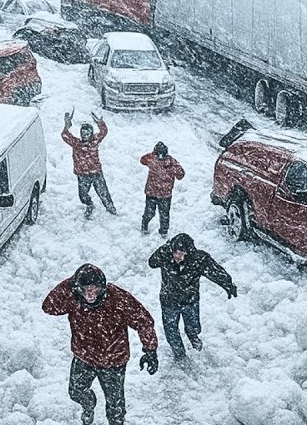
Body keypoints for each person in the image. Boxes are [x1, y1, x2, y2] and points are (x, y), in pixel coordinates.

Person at [42, 263, 158, 425]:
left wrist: (150, 350)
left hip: (113, 360)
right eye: (85, 289)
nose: (90, 294)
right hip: (84, 357)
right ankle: (89, 404)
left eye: (94, 289)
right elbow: (48, 306)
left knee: (115, 406)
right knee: (75, 391)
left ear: (102, 288)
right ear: (78, 289)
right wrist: (71, 282)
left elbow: (143, 321)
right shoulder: (73, 297)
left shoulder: (117, 298)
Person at [148, 233, 237, 361]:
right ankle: (180, 355)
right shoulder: (164, 254)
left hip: (190, 300)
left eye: (183, 254)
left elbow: (215, 272)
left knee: (193, 326)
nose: (179, 257)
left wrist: (228, 284)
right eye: (176, 253)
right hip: (169, 301)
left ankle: (193, 336)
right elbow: (151, 263)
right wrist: (164, 250)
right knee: (171, 332)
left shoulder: (198, 260)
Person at [61, 111, 116, 218]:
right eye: (83, 133)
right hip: (82, 175)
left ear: (91, 134)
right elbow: (64, 135)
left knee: (103, 193)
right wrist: (67, 125)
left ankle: (111, 209)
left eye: (87, 133)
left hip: (96, 173)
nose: (85, 136)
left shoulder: (94, 141)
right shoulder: (76, 144)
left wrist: (100, 122)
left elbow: (104, 131)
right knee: (82, 195)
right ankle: (89, 204)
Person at [140, 142, 185, 236]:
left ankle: (148, 227)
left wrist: (172, 167)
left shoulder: (157, 160)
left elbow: (181, 174)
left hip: (156, 193)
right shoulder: (166, 161)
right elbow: (142, 160)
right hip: (161, 194)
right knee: (162, 215)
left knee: (153, 213)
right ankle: (161, 232)